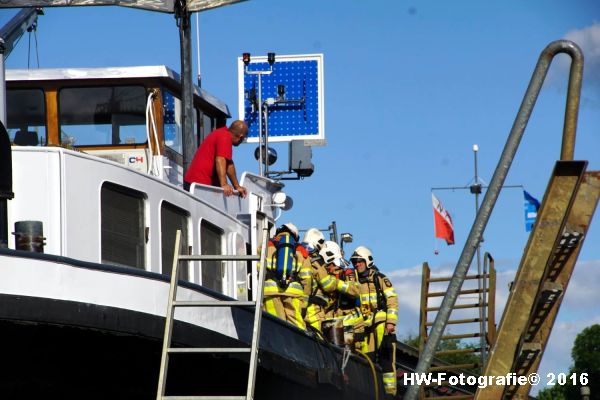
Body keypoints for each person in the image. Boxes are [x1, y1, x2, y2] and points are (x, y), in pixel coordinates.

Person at [350, 245, 398, 399]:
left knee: (386, 360)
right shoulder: (356, 282)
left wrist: (390, 323)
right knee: (367, 360)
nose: (357, 264)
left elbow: (392, 300)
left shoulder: (380, 279)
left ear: (367, 261)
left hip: (382, 326)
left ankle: (390, 394)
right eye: (354, 262)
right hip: (366, 328)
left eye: (359, 261)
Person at [259, 222, 312, 330]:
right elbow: (307, 280)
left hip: (271, 292)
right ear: (295, 237)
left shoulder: (265, 246)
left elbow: (257, 269)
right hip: (293, 294)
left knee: (275, 326)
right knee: (297, 327)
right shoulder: (302, 251)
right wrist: (304, 304)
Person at [183, 120, 248, 198]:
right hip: (198, 185)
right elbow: (220, 160)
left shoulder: (222, 133)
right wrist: (224, 184)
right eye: (243, 139)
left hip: (196, 184)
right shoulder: (225, 136)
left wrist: (237, 186)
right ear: (240, 137)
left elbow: (229, 164)